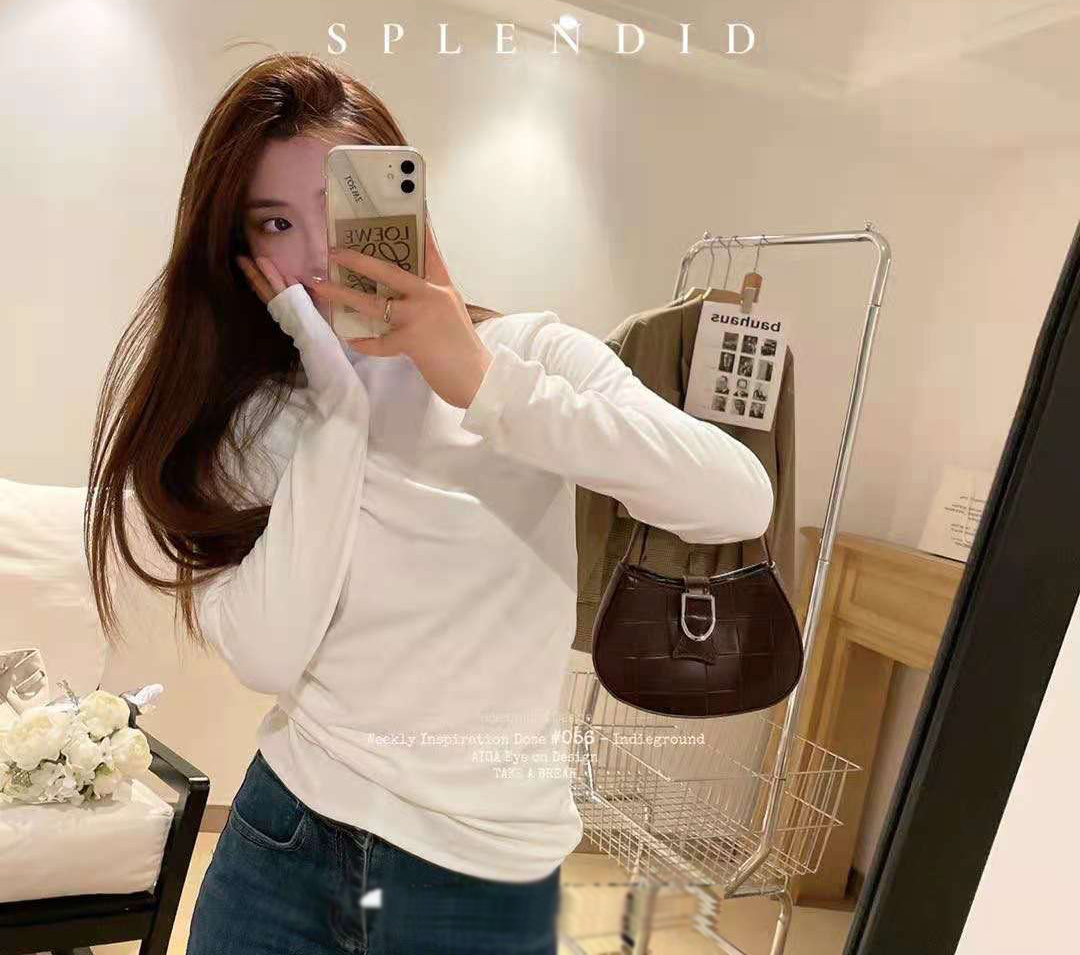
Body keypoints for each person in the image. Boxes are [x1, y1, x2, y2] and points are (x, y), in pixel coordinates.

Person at [85, 52, 775, 954]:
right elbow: (267, 652)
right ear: (241, 250)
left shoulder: (533, 359)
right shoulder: (255, 411)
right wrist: (338, 408)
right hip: (285, 841)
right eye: (277, 222)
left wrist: (479, 379)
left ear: (406, 206)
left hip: (480, 878)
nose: (320, 253)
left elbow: (734, 500)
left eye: (343, 207)